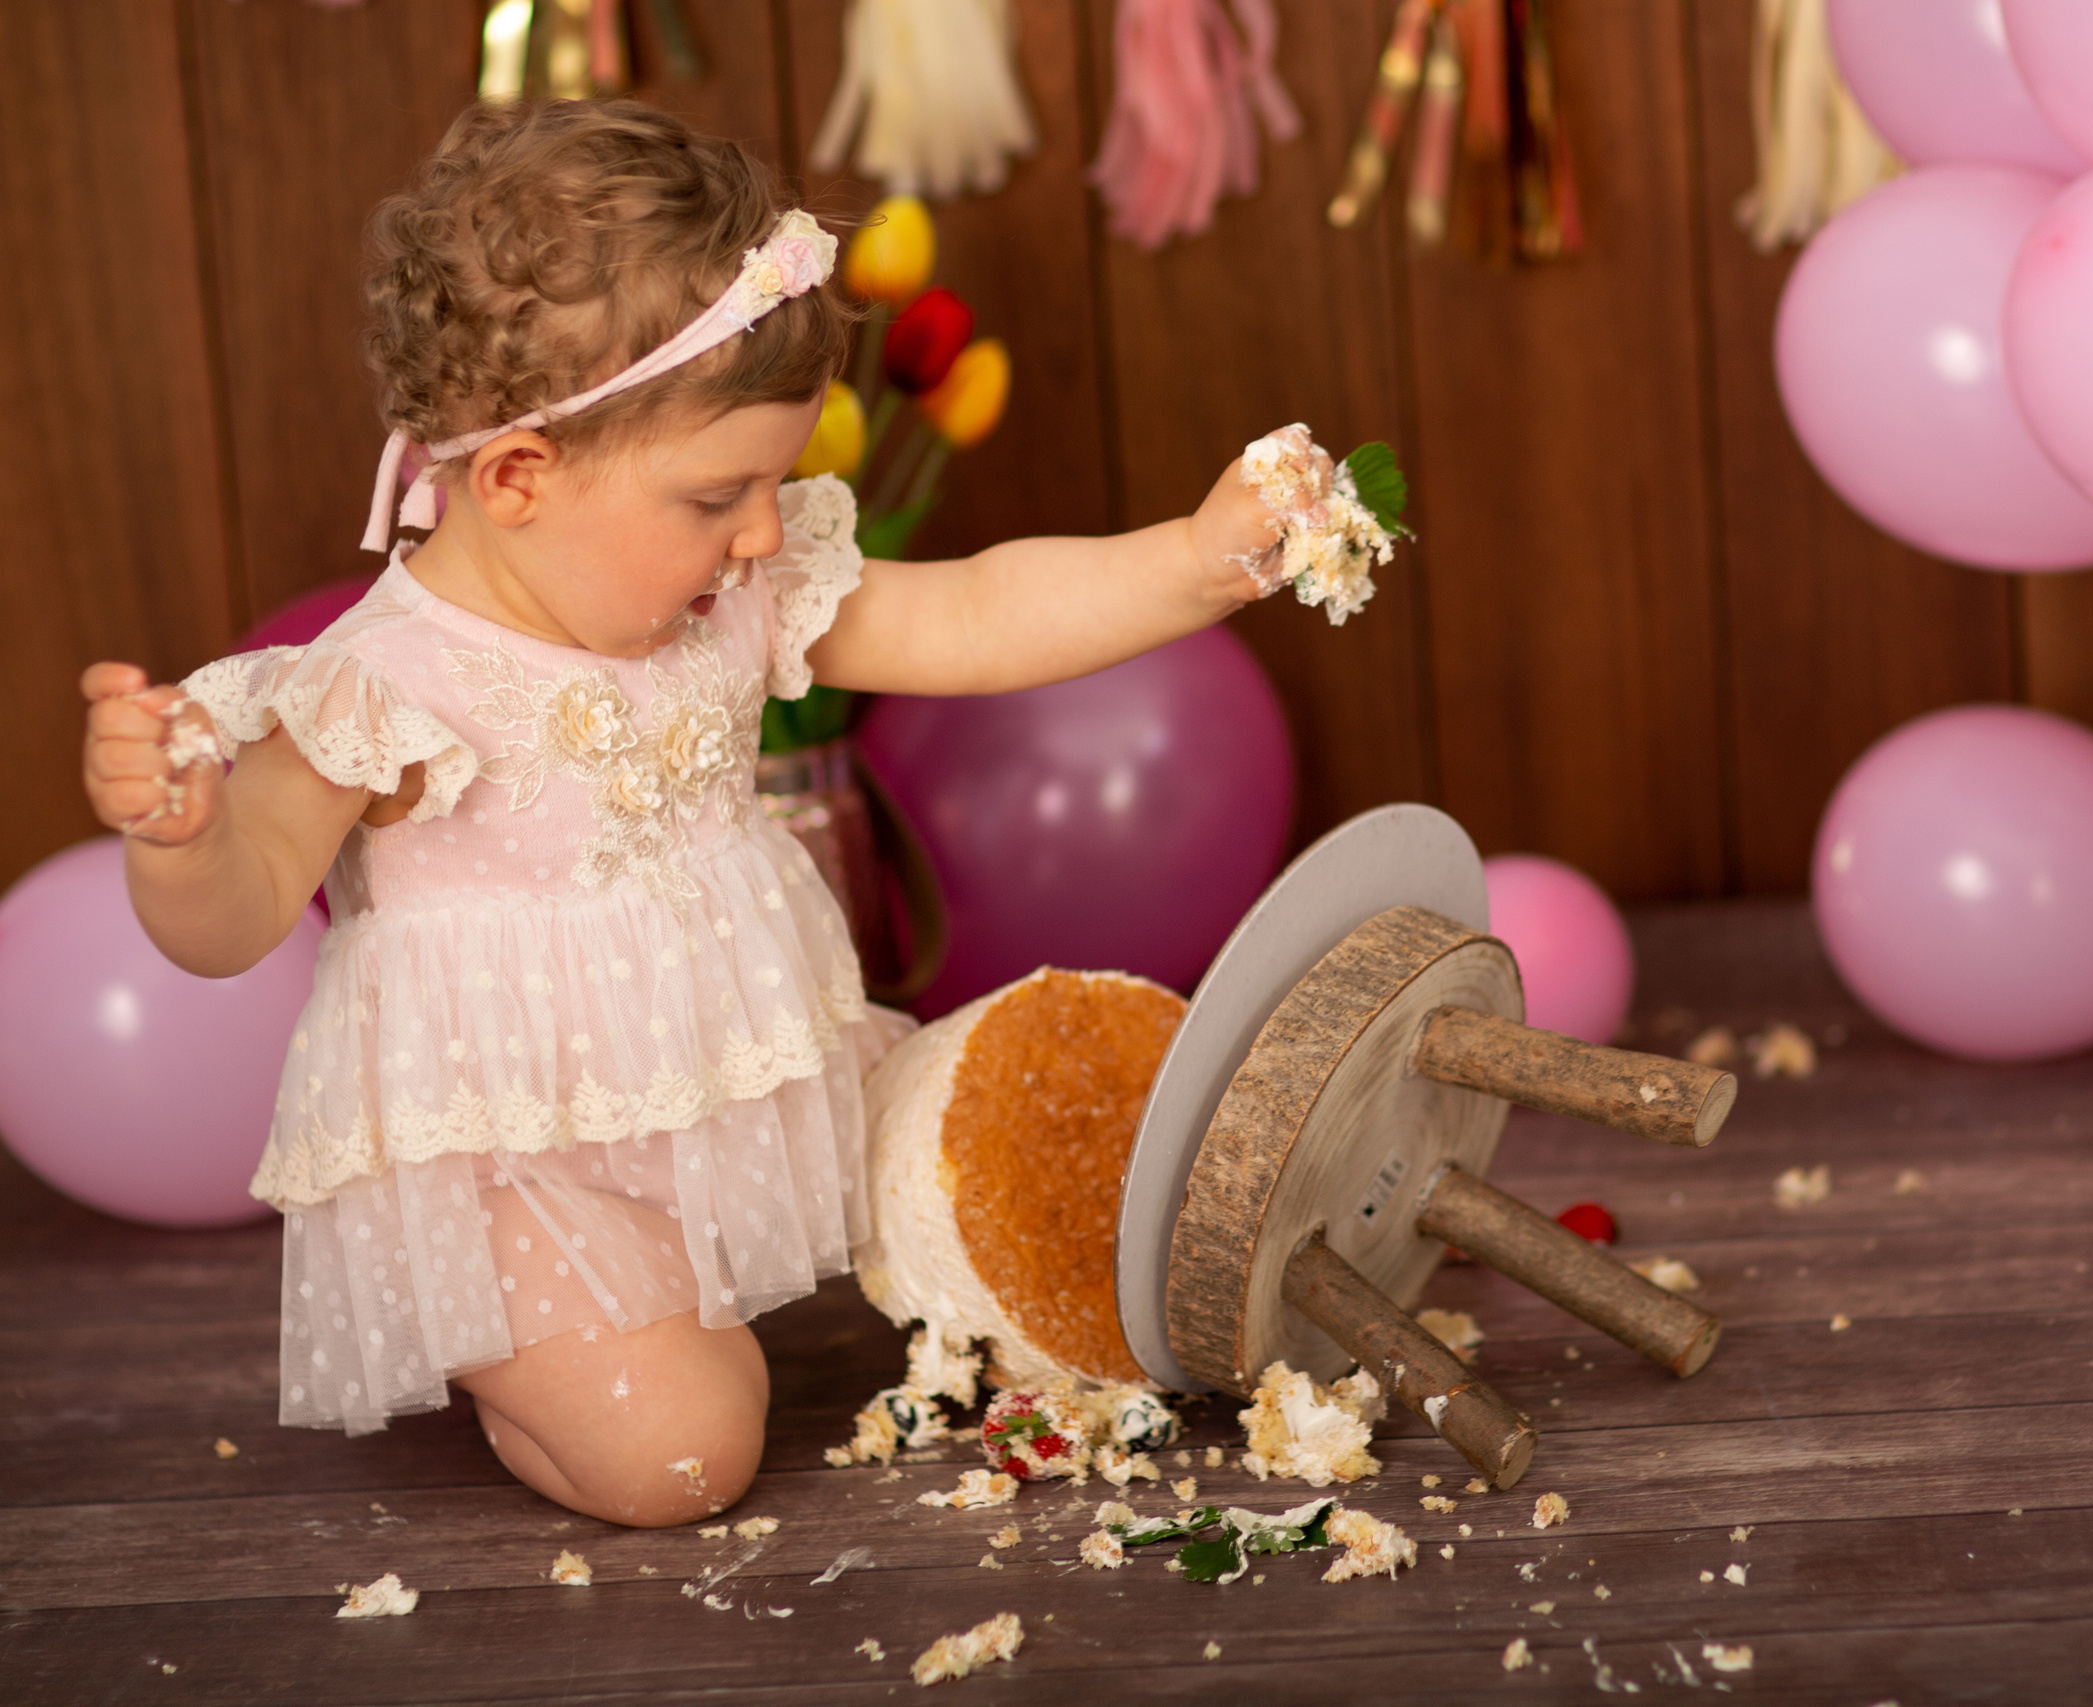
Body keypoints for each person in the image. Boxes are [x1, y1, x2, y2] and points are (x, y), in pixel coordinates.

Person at [77, 98, 1307, 1528]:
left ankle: (697, 1271)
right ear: (519, 477)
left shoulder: (730, 587)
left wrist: (1196, 560)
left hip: (732, 1080)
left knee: (1041, 1151)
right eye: (721, 493)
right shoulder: (387, 684)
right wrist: (183, 837)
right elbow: (234, 920)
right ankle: (529, 1339)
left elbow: (977, 608)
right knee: (686, 1458)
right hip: (515, 1166)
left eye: (775, 485)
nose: (765, 534)